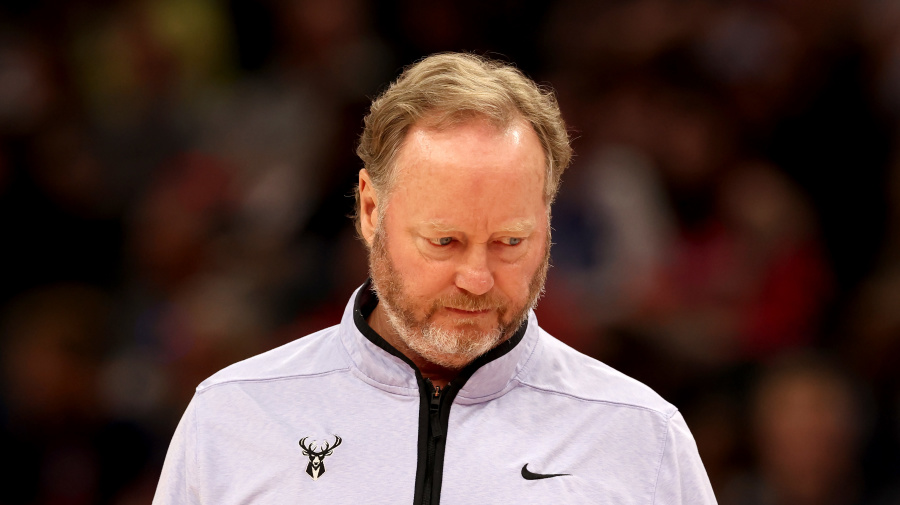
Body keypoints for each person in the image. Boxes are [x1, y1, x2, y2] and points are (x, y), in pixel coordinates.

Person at [153, 52, 717, 504]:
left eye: (509, 242)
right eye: (445, 241)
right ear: (371, 210)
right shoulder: (231, 417)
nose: (477, 278)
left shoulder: (642, 436)